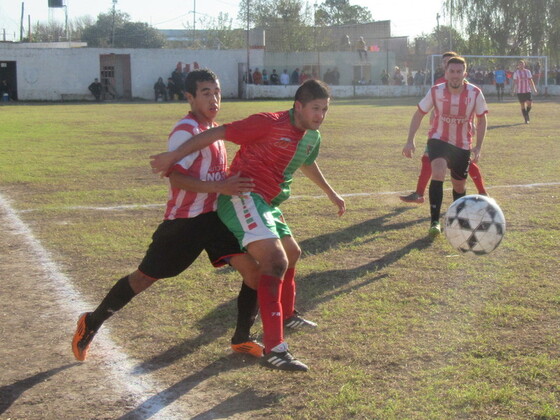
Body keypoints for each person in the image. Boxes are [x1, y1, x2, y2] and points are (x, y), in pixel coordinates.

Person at [150, 79, 346, 372]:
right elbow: (220, 131)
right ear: (299, 106)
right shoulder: (267, 123)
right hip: (242, 194)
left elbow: (307, 161)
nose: (320, 115)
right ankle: (275, 348)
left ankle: (288, 314)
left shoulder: (311, 136)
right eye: (315, 109)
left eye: (325, 110)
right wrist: (174, 156)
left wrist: (331, 193)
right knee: (275, 260)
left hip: (266, 202)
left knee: (292, 253)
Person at [72, 69, 264, 363]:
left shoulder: (212, 130)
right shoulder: (185, 131)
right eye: (205, 93)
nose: (214, 99)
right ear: (190, 97)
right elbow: (176, 179)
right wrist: (220, 186)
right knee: (143, 279)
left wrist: (232, 182)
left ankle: (241, 338)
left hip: (215, 219)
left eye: (217, 92)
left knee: (254, 271)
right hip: (184, 223)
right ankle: (92, 321)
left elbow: (214, 173)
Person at [402, 56, 489, 237]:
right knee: (438, 171)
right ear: (446, 73)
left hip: (462, 144)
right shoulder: (436, 91)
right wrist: (410, 140)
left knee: (459, 186)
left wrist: (478, 146)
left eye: (459, 72)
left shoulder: (475, 93)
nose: (455, 75)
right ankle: (434, 221)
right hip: (438, 139)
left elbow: (482, 120)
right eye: (452, 71)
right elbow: (419, 114)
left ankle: (456, 217)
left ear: (465, 73)